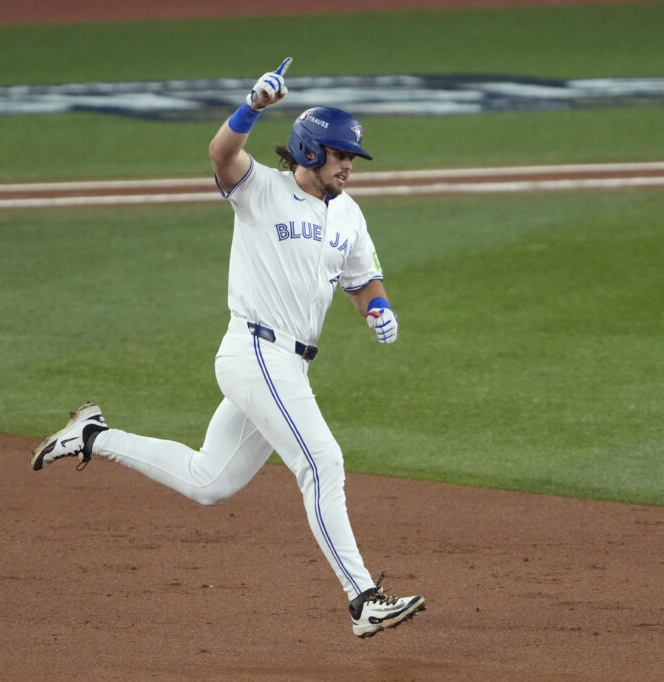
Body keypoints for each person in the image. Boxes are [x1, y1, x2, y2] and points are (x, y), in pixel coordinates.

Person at [30, 57, 425, 638]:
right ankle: (362, 598)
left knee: (208, 481)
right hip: (255, 352)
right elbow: (221, 155)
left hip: (286, 364)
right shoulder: (259, 188)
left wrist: (378, 309)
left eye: (352, 158)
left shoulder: (349, 214)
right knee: (322, 462)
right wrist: (252, 107)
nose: (350, 167)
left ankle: (91, 434)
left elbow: (362, 278)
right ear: (311, 153)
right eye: (341, 156)